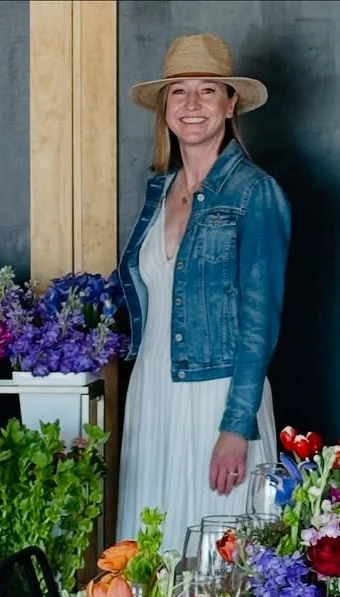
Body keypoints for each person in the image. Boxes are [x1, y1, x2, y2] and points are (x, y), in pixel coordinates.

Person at [116, 34, 289, 553]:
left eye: (208, 90)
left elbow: (261, 318)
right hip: (153, 391)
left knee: (220, 555)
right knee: (153, 548)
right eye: (179, 92)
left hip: (218, 395)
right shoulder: (158, 192)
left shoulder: (256, 192)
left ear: (230, 103)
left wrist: (237, 427)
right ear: (165, 107)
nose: (192, 104)